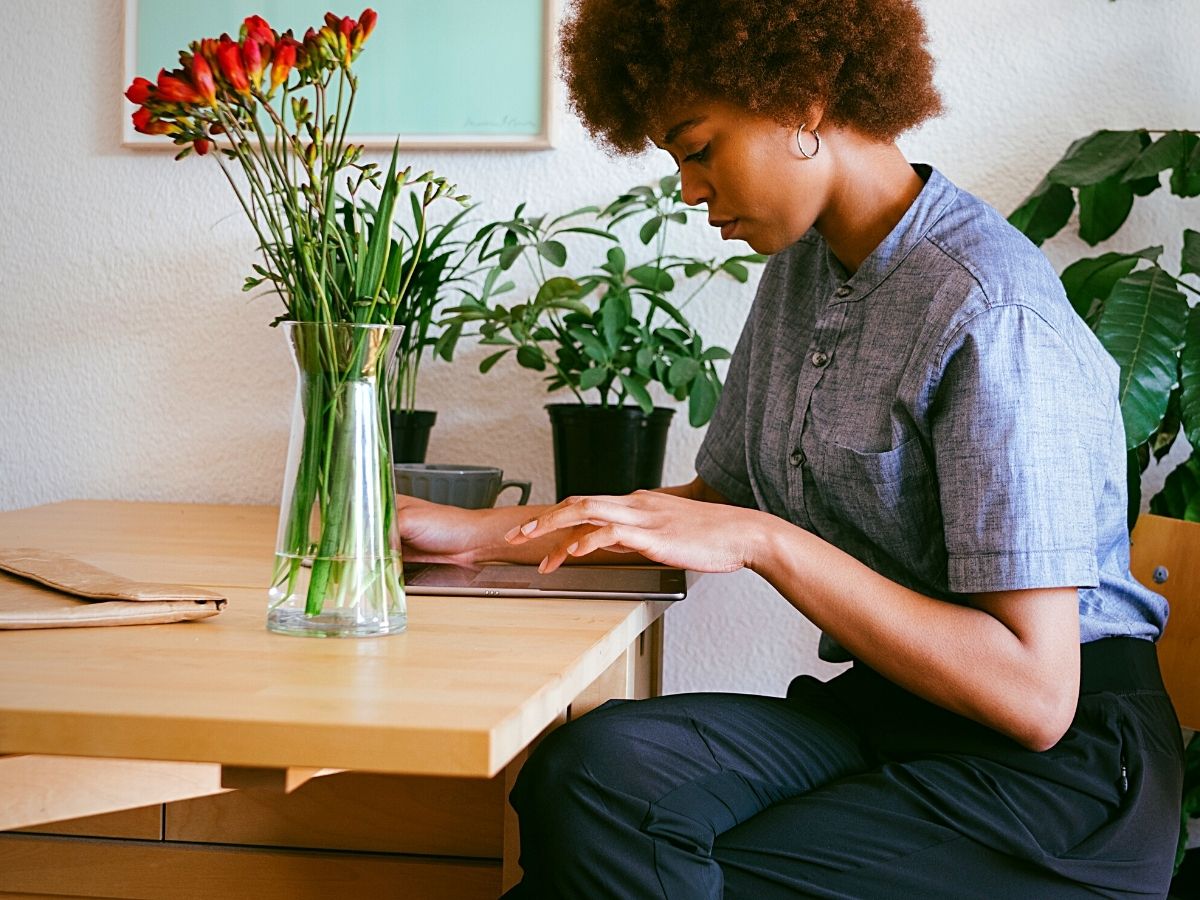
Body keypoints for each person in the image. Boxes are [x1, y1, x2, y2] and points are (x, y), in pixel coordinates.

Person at [395, 0, 1185, 895]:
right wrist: (478, 537)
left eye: (698, 149)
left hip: (1060, 780)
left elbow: (1035, 698)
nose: (689, 190)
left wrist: (765, 541)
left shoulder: (989, 311)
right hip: (890, 715)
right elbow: (702, 512)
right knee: (589, 776)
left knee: (648, 862)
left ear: (802, 101)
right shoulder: (801, 274)